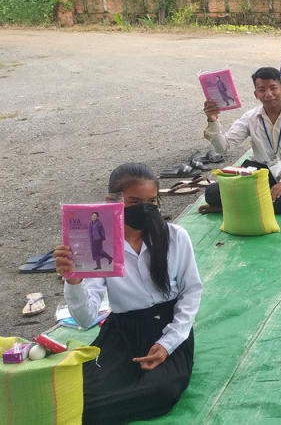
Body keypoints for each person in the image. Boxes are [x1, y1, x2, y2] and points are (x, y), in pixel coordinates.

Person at [53, 163, 202, 423]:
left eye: (151, 201)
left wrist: (168, 344)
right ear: (112, 201)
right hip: (122, 329)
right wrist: (74, 281)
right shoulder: (98, 248)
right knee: (81, 393)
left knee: (161, 390)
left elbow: (191, 294)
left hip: (168, 326)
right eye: (134, 201)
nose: (145, 208)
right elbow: (86, 318)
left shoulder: (176, 237)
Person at [201, 67, 281, 215]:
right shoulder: (250, 117)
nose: (268, 94)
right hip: (255, 172)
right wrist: (213, 120)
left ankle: (230, 207)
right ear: (256, 94)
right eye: (262, 90)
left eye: (273, 88)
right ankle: (254, 206)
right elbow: (223, 148)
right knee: (211, 193)